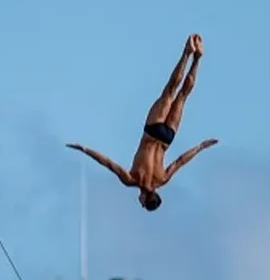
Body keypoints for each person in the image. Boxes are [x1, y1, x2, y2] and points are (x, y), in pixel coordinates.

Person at [67, 33, 218, 211]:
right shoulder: (131, 179)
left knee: (180, 96)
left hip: (167, 138)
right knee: (171, 92)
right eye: (142, 203)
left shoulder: (162, 179)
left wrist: (201, 146)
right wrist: (84, 149)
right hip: (152, 130)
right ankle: (187, 53)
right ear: (145, 199)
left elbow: (180, 161)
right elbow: (107, 162)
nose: (139, 202)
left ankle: (196, 59)